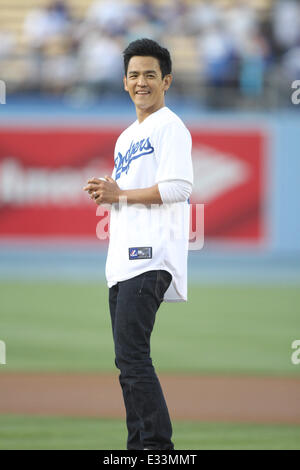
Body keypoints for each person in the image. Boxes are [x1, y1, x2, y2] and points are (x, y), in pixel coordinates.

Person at [83, 38, 193, 450]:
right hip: (124, 260)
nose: (141, 81)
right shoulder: (127, 135)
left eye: (150, 74)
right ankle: (138, 448)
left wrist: (120, 195)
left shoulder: (170, 126)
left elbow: (179, 187)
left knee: (133, 358)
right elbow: (125, 192)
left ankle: (157, 449)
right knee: (127, 362)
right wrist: (108, 191)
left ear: (167, 80)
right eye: (134, 75)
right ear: (125, 83)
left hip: (149, 256)